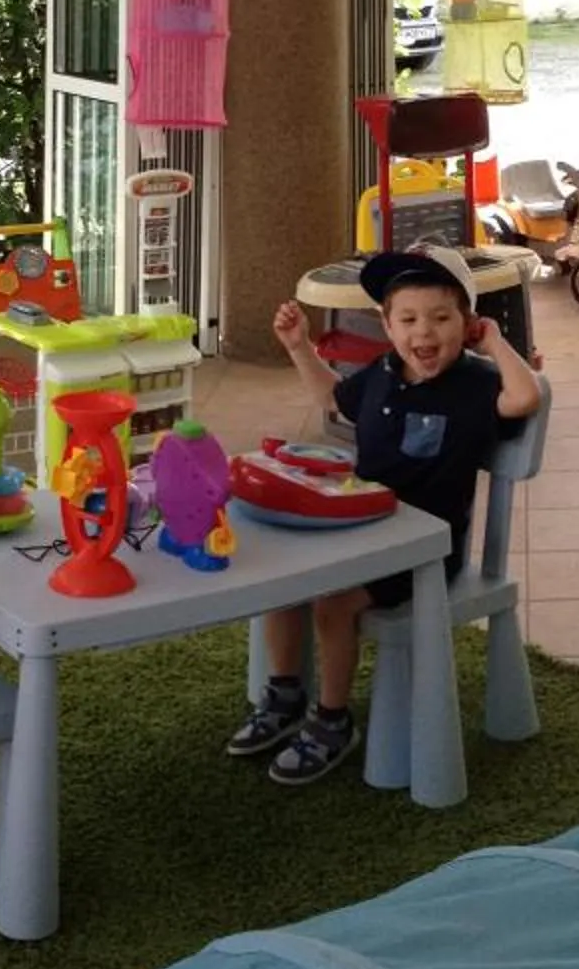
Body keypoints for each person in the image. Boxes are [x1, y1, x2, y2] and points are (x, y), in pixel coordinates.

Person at [230, 245, 542, 784]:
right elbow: (332, 398)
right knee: (285, 582)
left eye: (442, 319)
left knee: (332, 604)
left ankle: (332, 722)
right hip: (360, 530)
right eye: (409, 319)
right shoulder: (380, 373)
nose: (425, 333)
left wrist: (495, 342)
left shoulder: (474, 384)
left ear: (465, 323)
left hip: (422, 554)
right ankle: (284, 697)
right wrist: (299, 346)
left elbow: (525, 399)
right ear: (387, 326)